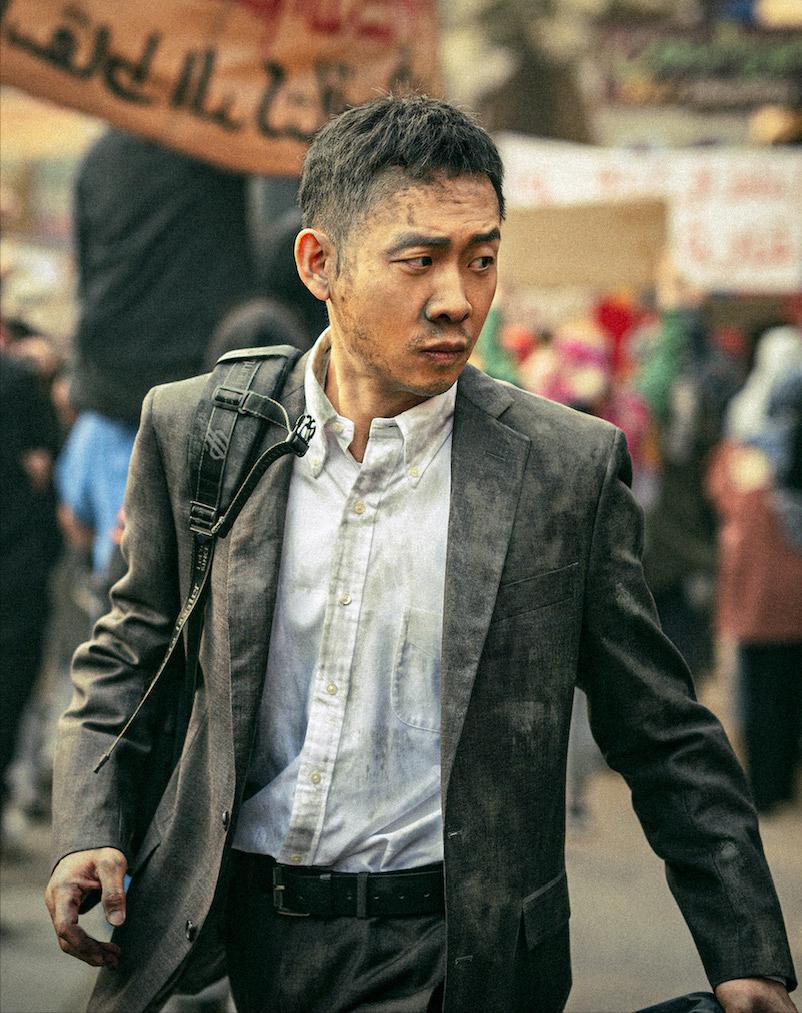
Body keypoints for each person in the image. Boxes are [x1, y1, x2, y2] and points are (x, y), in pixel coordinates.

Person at [45, 96, 795, 1013]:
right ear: (319, 264)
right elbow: (129, 652)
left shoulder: (561, 469)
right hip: (222, 945)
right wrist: (89, 828)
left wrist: (746, 951)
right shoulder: (203, 432)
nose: (457, 298)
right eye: (420, 260)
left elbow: (664, 730)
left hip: (448, 959)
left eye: (481, 259)